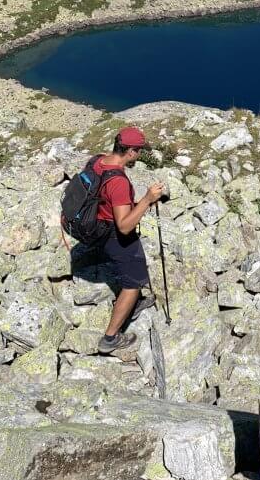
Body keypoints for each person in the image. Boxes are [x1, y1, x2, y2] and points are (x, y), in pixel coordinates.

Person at [87, 126, 165, 353]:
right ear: (130, 152)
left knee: (132, 274)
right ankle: (110, 339)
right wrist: (147, 200)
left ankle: (134, 302)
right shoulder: (118, 182)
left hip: (98, 225)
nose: (139, 154)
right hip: (113, 235)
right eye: (138, 150)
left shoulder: (98, 161)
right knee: (133, 283)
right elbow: (124, 226)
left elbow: (105, 198)